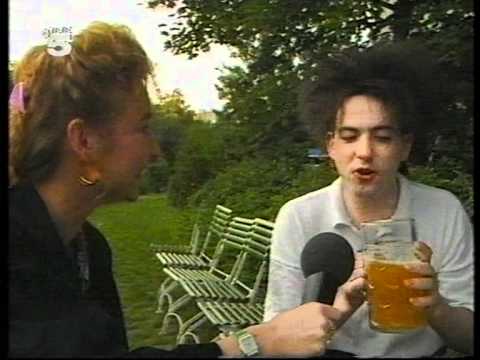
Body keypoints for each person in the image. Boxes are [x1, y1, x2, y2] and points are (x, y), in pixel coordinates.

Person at [9, 21, 343, 358]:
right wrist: (255, 343)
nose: (155, 151)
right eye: (143, 127)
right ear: (84, 140)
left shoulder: (87, 247)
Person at [263, 42, 474, 357]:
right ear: (330, 146)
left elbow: (468, 340)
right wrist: (341, 308)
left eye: (383, 137)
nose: (364, 152)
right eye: (349, 137)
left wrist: (437, 307)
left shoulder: (444, 209)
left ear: (405, 146)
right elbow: (277, 334)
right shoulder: (298, 216)